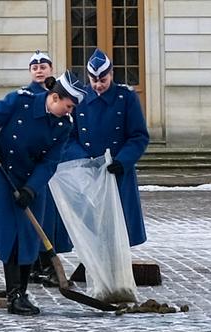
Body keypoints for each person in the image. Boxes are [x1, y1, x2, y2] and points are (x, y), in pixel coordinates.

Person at [0, 71, 86, 316]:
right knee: (10, 237)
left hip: (31, 183)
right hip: (2, 177)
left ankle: (21, 293)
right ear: (55, 98)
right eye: (68, 106)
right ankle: (14, 296)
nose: (70, 112)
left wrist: (30, 189)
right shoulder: (19, 101)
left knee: (28, 237)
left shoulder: (63, 126)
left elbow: (49, 162)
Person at [65, 48, 149, 247]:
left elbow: (138, 136)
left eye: (103, 80)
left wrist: (122, 161)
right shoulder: (81, 98)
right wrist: (83, 160)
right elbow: (70, 136)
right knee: (91, 226)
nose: (98, 85)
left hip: (117, 170)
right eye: (94, 81)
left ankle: (118, 264)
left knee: (119, 227)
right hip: (89, 172)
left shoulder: (126, 97)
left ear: (111, 74)